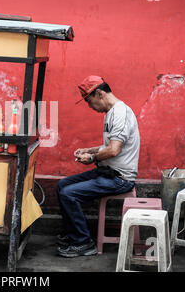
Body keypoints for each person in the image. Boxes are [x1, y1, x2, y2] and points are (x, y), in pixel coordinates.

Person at [56, 75, 140, 258]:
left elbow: (113, 150)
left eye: (89, 101)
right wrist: (89, 149)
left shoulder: (120, 113)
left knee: (68, 193)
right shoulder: (111, 113)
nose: (90, 106)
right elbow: (109, 146)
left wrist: (91, 157)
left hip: (119, 178)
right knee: (62, 185)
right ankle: (73, 234)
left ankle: (83, 243)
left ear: (99, 93)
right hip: (107, 172)